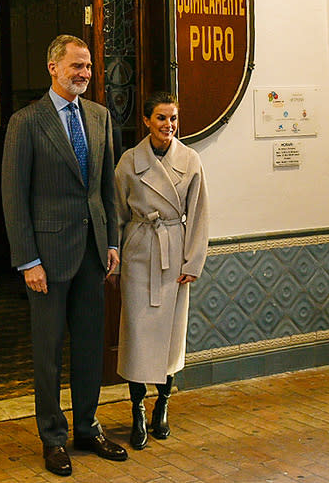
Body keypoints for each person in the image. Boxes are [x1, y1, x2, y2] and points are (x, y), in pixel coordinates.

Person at [2, 34, 128, 477]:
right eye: (76, 66)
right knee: (49, 353)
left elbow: (106, 189)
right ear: (53, 68)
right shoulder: (27, 122)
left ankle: (88, 428)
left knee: (91, 349)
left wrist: (113, 242)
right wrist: (28, 261)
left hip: (94, 254)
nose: (85, 74)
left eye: (89, 67)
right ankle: (53, 438)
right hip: (48, 260)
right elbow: (14, 197)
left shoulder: (99, 116)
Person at [115, 92, 209, 450]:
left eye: (172, 118)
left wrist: (192, 261)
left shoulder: (190, 159)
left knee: (171, 339)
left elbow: (199, 214)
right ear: (146, 120)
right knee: (137, 335)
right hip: (139, 252)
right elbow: (117, 211)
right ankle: (137, 409)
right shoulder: (128, 161)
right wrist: (116, 255)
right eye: (160, 118)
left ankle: (163, 405)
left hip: (174, 253)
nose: (168, 125)